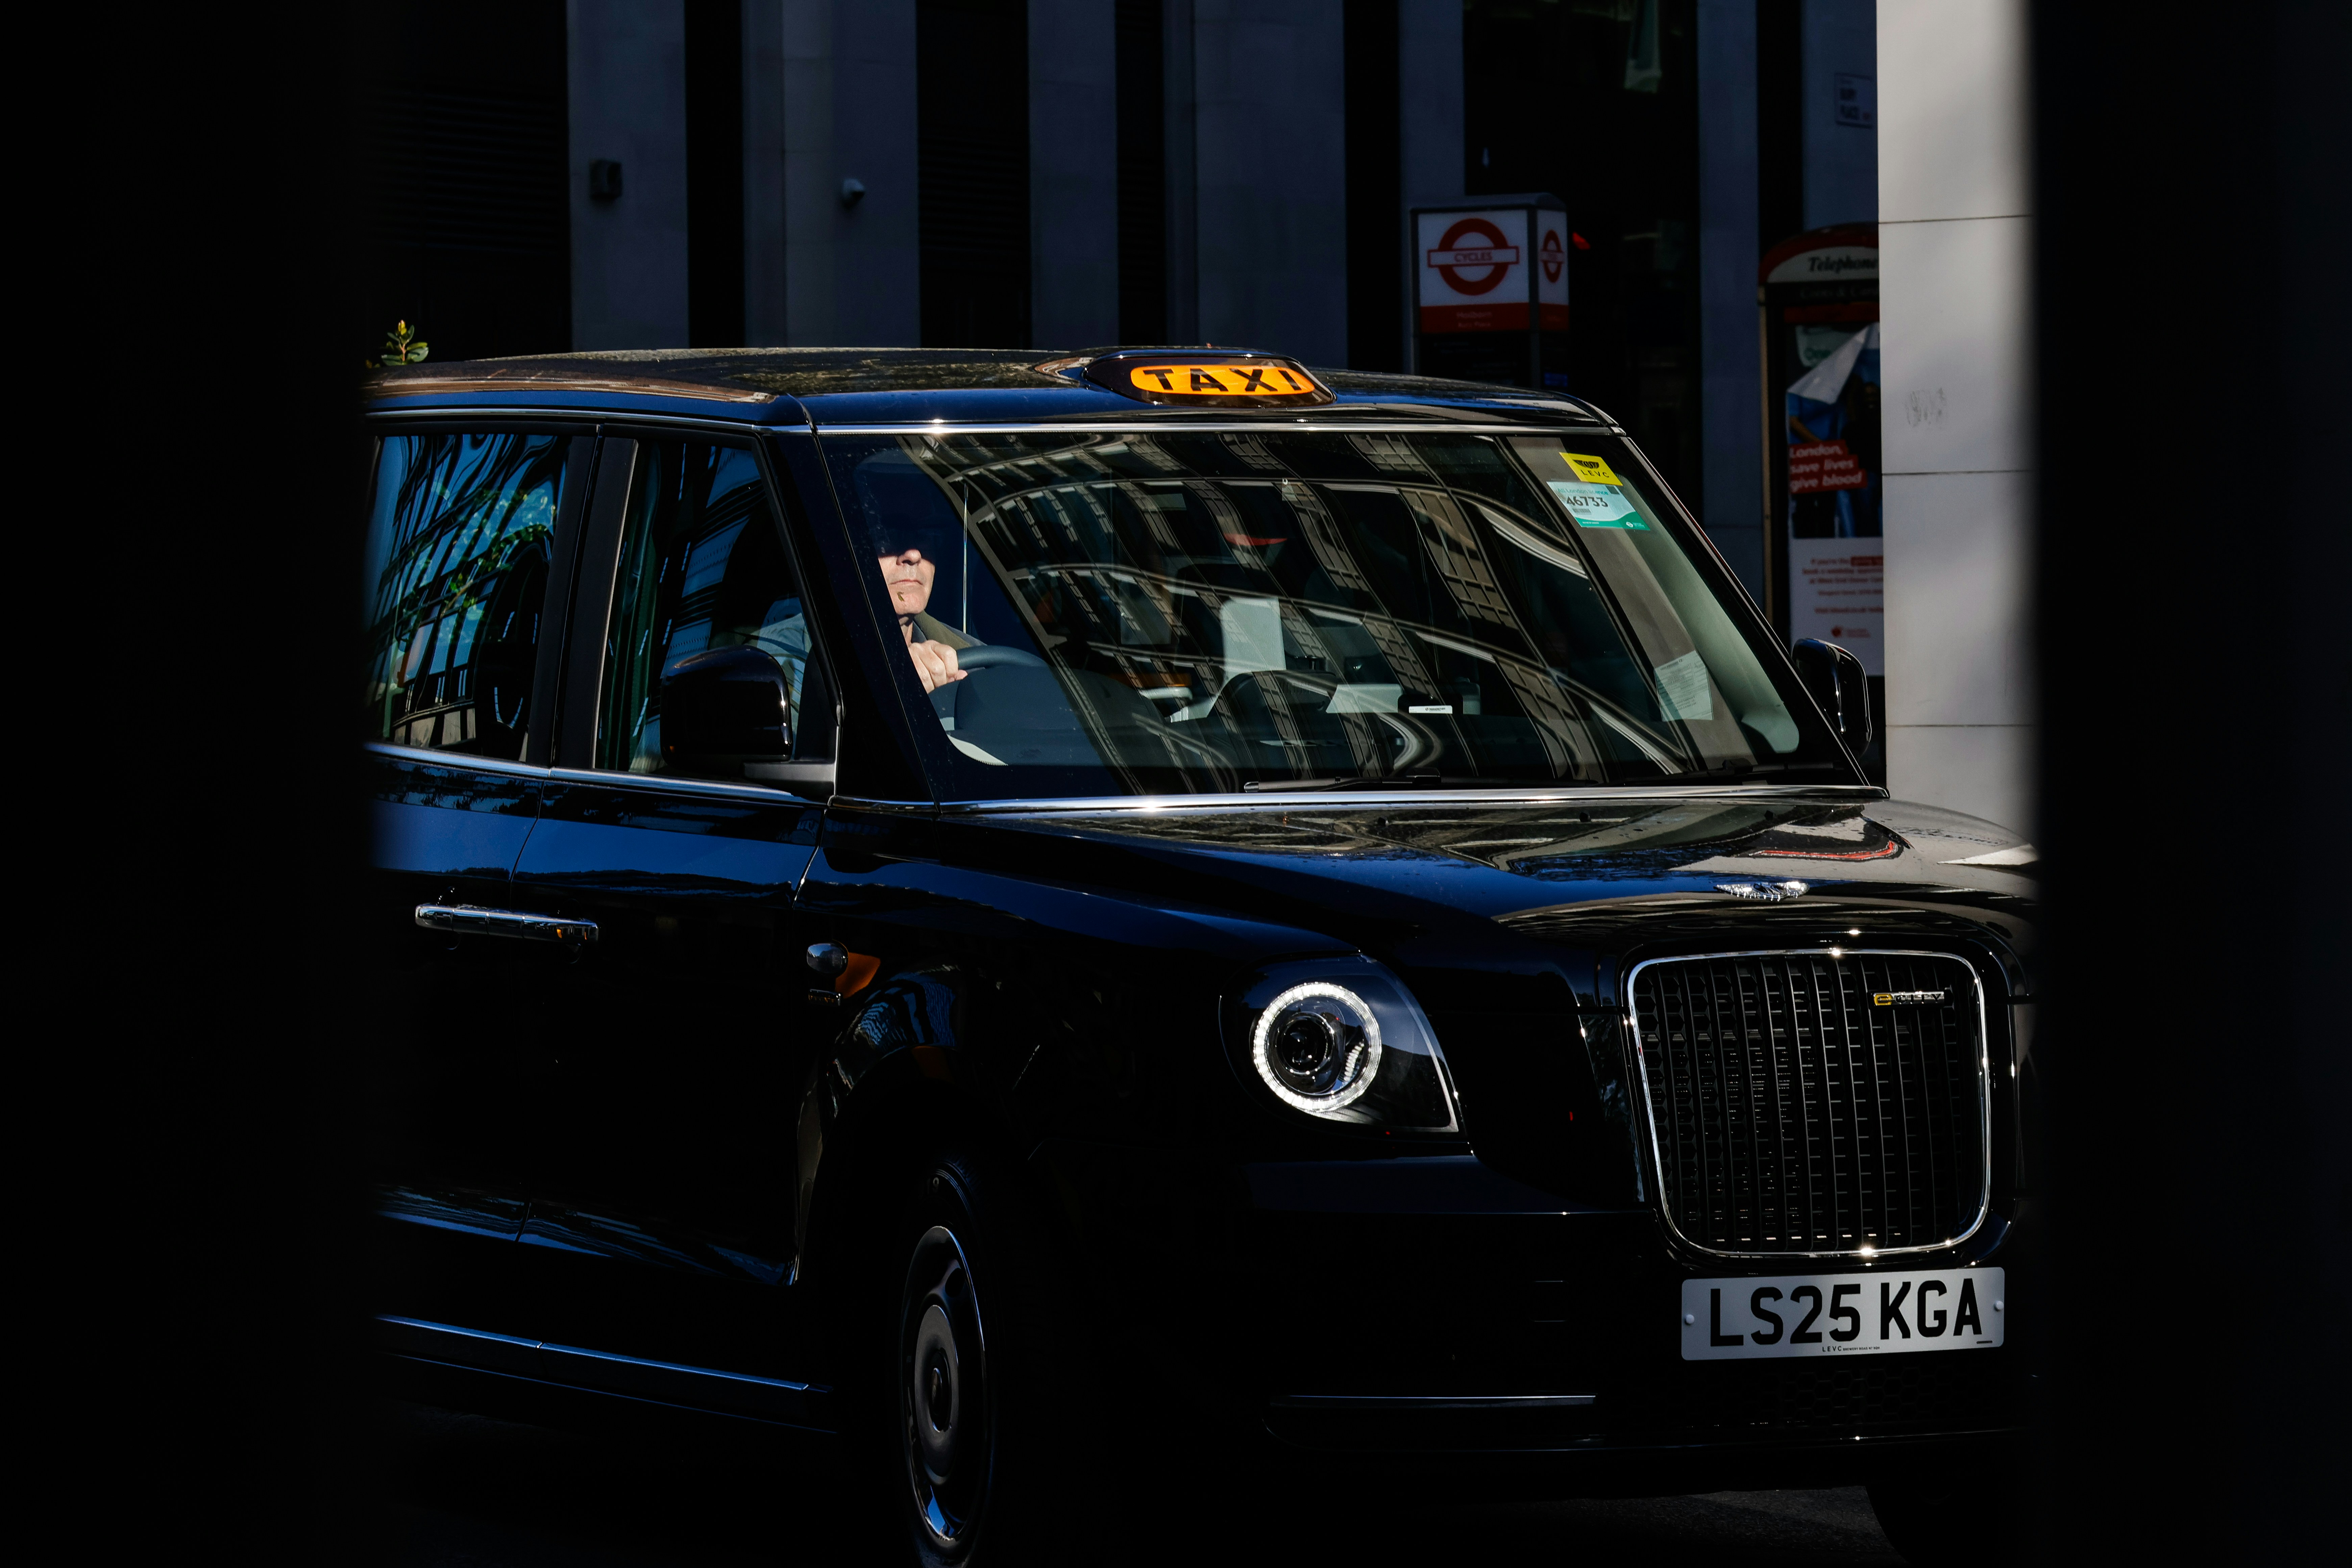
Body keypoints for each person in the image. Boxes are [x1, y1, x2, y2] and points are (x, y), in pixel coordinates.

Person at [876, 533, 977, 693]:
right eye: (886, 536)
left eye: (924, 536)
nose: (915, 555)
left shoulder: (975, 656)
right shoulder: (824, 664)